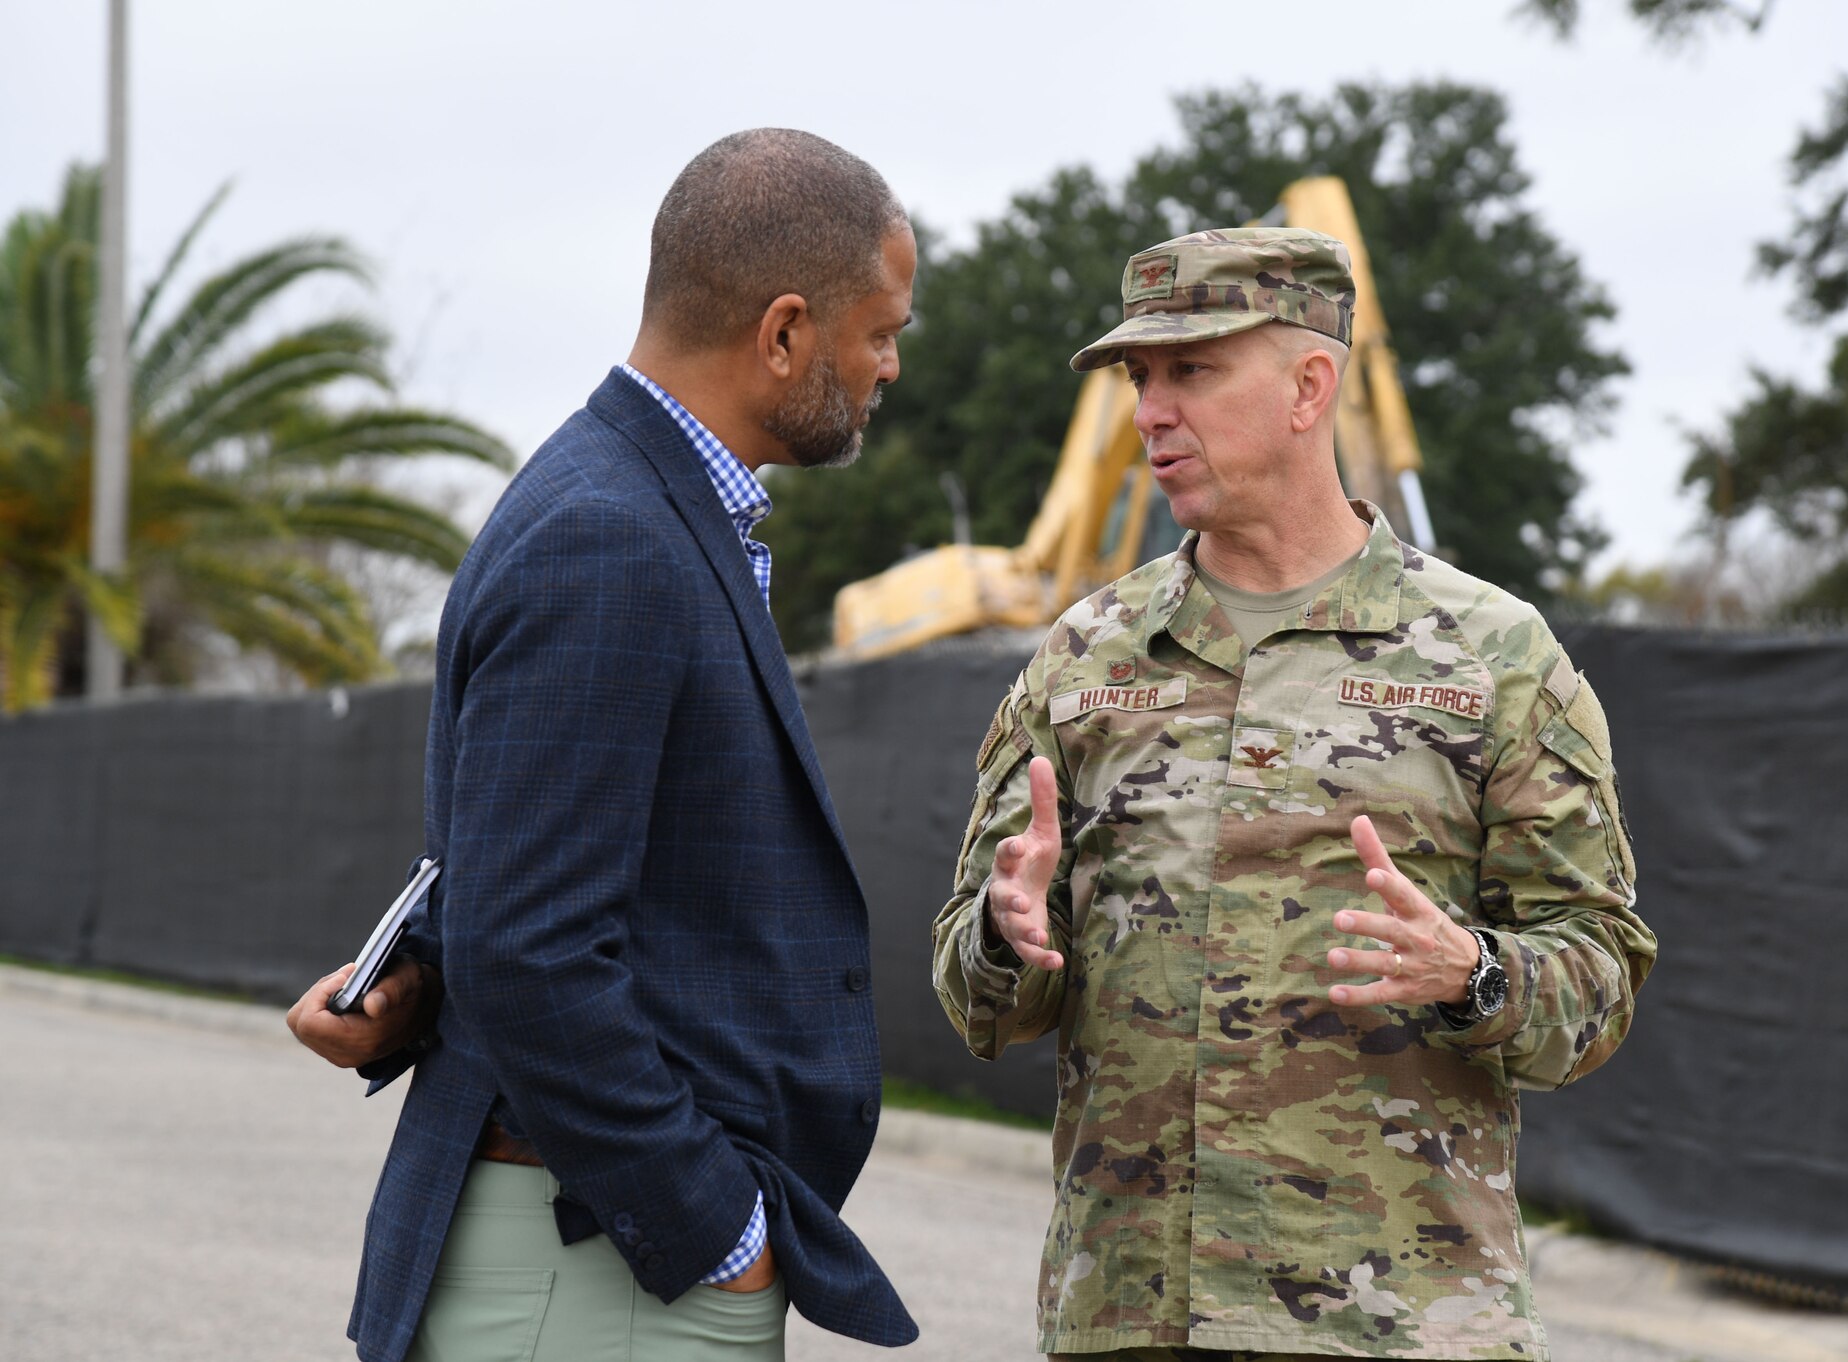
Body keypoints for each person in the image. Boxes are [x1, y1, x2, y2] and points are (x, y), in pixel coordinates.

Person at [932, 227, 1657, 1362]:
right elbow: (975, 997)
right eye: (1140, 377)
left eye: (1193, 370)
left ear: (1308, 386)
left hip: (1400, 1324)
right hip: (1135, 1315)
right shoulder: (1082, 662)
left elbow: (1599, 980)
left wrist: (1470, 975)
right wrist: (1003, 936)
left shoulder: (1491, 657)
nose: (1150, 413)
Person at [286, 128, 919, 1362]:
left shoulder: (633, 504)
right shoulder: (613, 537)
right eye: (879, 330)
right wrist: (712, 1230)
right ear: (783, 332)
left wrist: (409, 980)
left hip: (589, 1266)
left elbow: (532, 875)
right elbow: (529, 945)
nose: (888, 366)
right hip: (599, 1276)